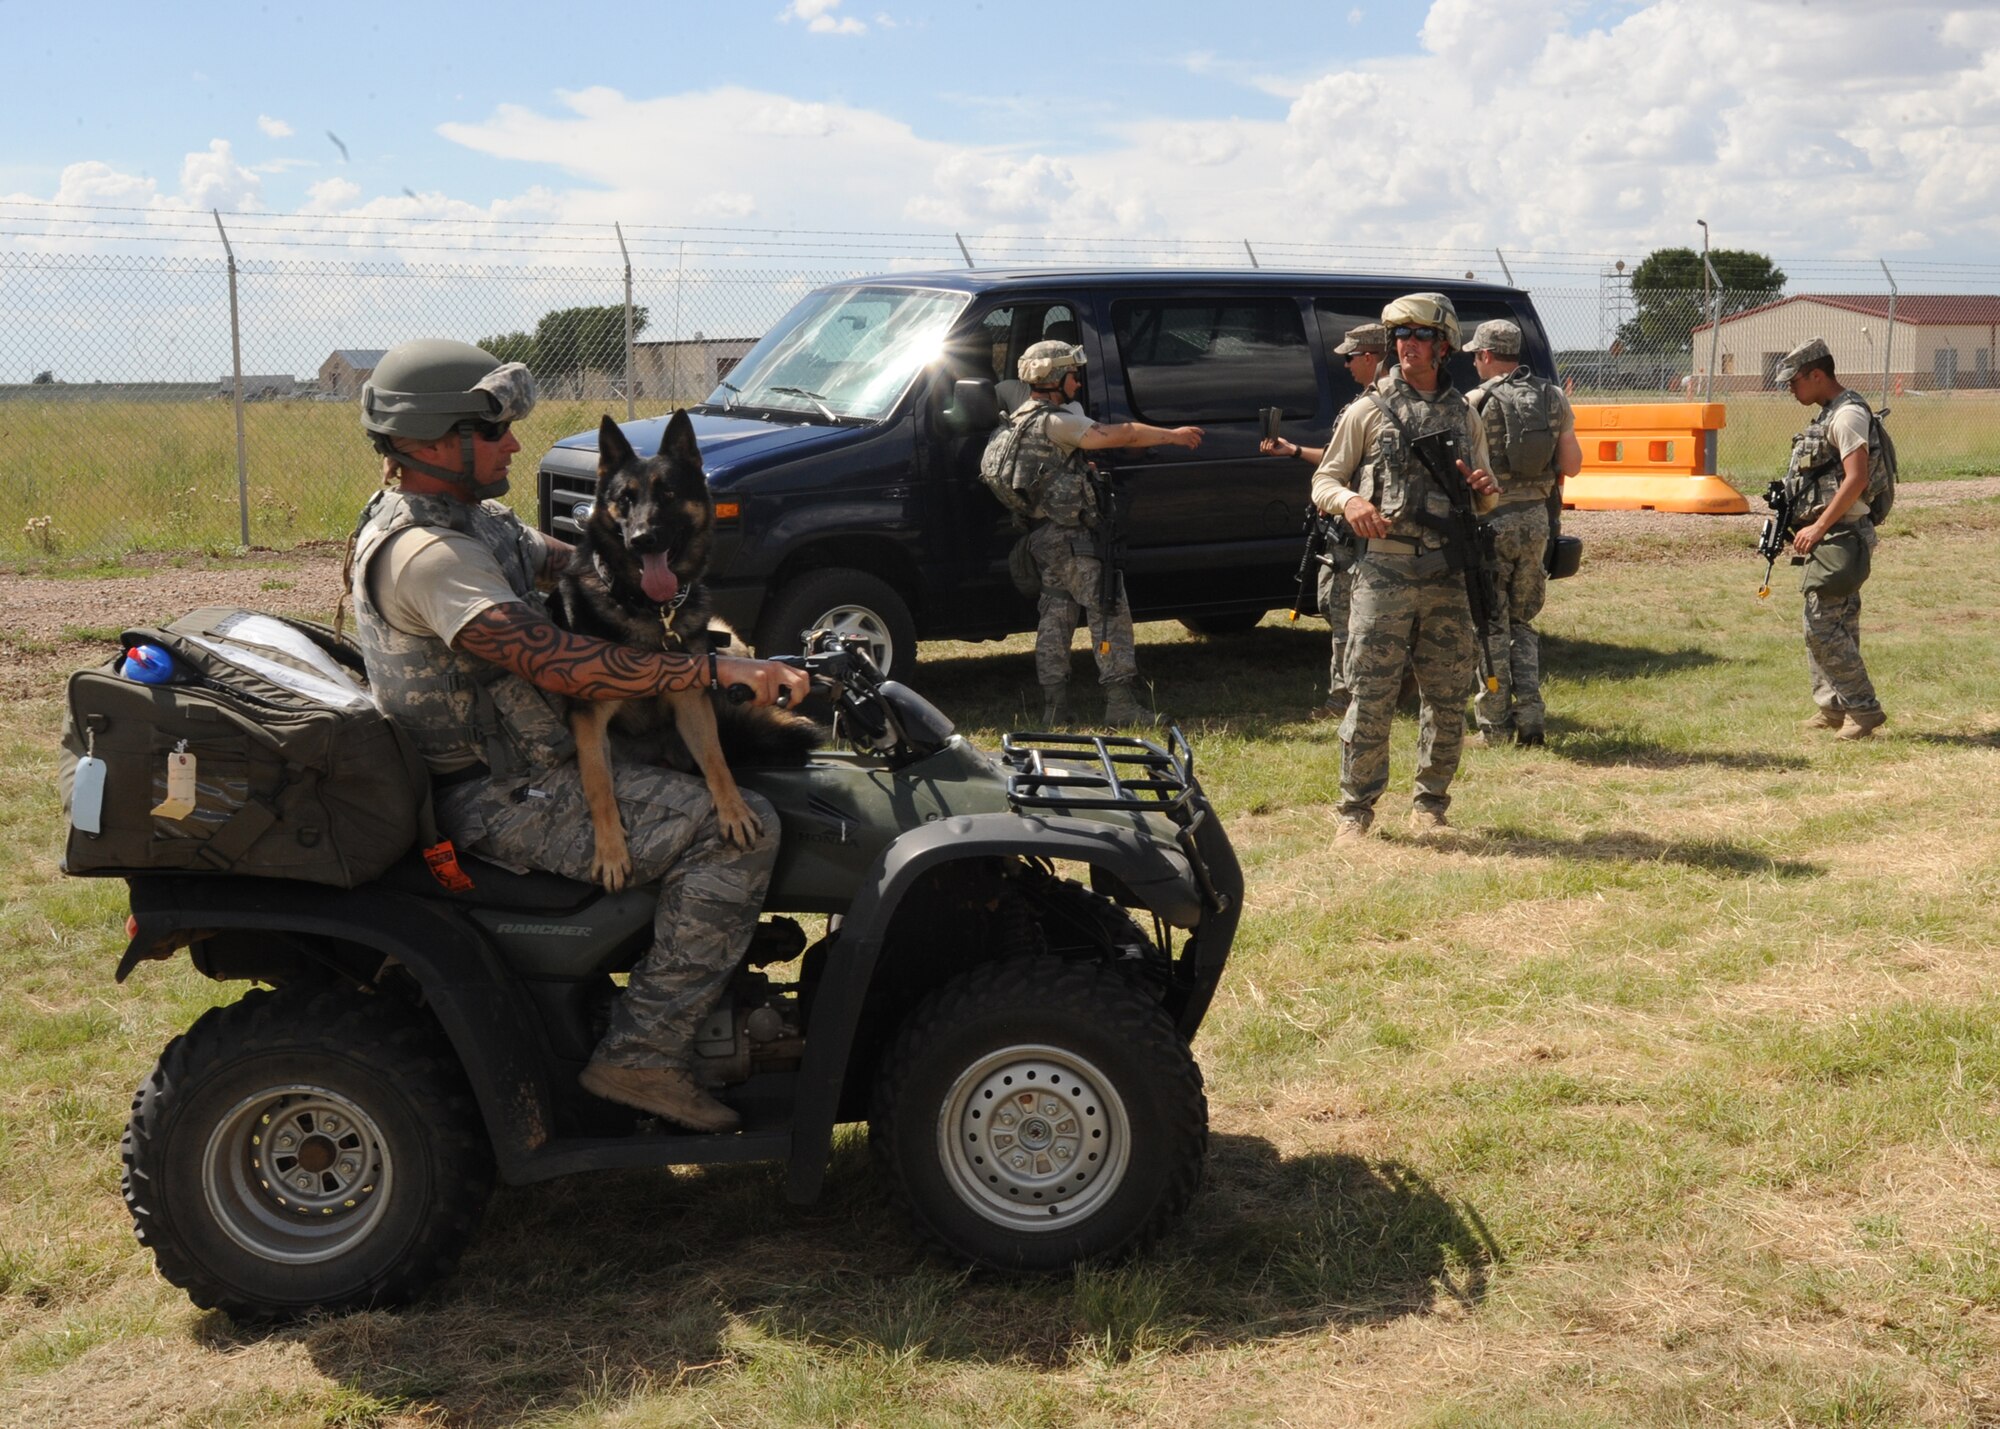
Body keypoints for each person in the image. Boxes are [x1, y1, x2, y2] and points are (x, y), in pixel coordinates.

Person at [344, 339, 810, 1133]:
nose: (515, 444)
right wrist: (703, 674)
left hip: (536, 761)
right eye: (493, 432)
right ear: (429, 444)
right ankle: (645, 1053)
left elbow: (577, 564)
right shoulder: (430, 554)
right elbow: (557, 662)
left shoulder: (471, 521)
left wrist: (692, 618)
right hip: (501, 792)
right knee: (743, 833)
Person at [1308, 294, 1500, 840]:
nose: (1406, 346)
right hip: (1383, 574)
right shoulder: (1367, 410)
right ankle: (1355, 812)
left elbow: (1483, 494)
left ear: (1442, 346)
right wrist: (1351, 503)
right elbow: (1324, 480)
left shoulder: (1466, 414)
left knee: (1446, 696)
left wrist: (1486, 492)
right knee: (1370, 693)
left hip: (1447, 575)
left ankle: (1431, 804)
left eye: (1418, 337)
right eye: (1400, 337)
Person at [984, 338, 1204, 726]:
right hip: (1071, 538)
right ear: (1055, 377)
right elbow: (1122, 436)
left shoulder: (1018, 419)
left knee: (1056, 613)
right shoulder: (1057, 422)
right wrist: (1172, 435)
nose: (1078, 383)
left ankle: (1055, 707)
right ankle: (1120, 703)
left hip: (1042, 536)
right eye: (1073, 375)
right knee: (1109, 609)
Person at [1463, 319, 1582, 747]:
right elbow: (1572, 465)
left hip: (1491, 523)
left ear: (1487, 355)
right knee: (1523, 621)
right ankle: (1531, 719)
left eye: (1476, 354)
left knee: (1490, 624)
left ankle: (1493, 727)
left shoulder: (1475, 401)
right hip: (1537, 522)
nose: (1475, 362)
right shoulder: (1553, 397)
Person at [1263, 322, 1389, 721]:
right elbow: (1341, 463)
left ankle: (1345, 697)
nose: (1346, 365)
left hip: (1359, 533)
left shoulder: (1376, 407)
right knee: (1337, 608)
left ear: (1370, 357)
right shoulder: (1366, 404)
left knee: (1344, 612)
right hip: (1345, 529)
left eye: (1350, 358)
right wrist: (1295, 450)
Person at [1775, 336, 1888, 739]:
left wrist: (1818, 526)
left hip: (1843, 534)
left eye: (1794, 381)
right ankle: (1833, 707)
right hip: (1833, 534)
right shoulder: (1830, 413)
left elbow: (1856, 479)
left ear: (1817, 374)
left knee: (1820, 625)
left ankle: (1864, 711)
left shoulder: (1847, 416)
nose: (1790, 389)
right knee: (1838, 622)